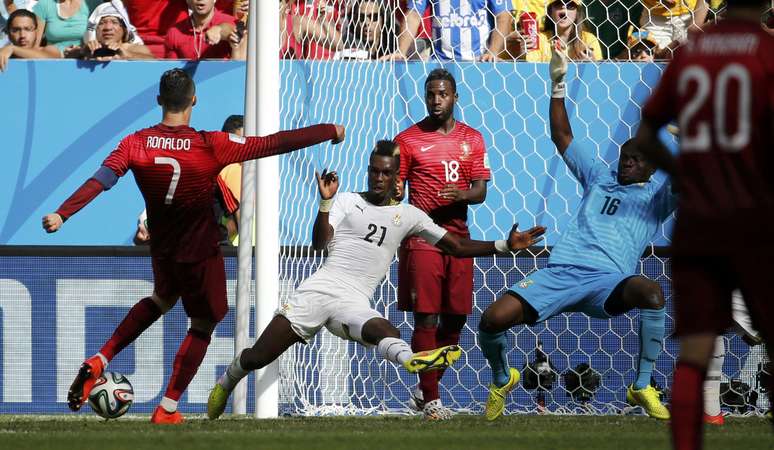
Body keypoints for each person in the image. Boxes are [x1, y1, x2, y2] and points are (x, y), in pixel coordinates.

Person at [42, 68, 346, 424]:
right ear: (194, 100)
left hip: (163, 248)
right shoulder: (209, 144)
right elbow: (272, 143)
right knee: (206, 320)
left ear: (158, 101)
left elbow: (102, 180)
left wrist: (63, 214)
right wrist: (330, 130)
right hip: (200, 251)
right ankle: (168, 408)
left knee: (161, 298)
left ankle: (101, 358)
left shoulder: (134, 143)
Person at [206, 140, 547, 420]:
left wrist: (504, 245)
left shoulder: (409, 215)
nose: (378, 178)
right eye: (373, 171)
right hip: (319, 290)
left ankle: (412, 360)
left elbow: (456, 246)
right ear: (367, 169)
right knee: (257, 357)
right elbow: (320, 243)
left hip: (353, 300)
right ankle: (227, 379)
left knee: (388, 331)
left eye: (385, 172)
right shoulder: (347, 201)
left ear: (397, 177)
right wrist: (324, 203)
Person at [478, 40, 676, 422]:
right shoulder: (600, 178)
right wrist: (557, 84)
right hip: (561, 273)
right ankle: (502, 378)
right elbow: (562, 136)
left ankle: (642, 384)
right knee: (491, 320)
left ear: (653, 166)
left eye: (637, 160)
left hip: (610, 282)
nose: (628, 163)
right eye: (625, 157)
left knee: (651, 292)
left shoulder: (658, 196)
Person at [632, 1, 774, 447]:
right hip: (755, 217)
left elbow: (645, 134)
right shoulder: (767, 53)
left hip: (699, 221)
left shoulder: (693, 52)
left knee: (695, 349)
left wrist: (682, 175)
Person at [394, 68, 491, 420]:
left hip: (458, 239)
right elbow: (396, 188)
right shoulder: (407, 139)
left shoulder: (473, 139)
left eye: (443, 94)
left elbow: (480, 190)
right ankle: (434, 402)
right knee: (427, 316)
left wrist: (461, 194)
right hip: (422, 238)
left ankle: (424, 392)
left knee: (455, 321)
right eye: (431, 94)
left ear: (455, 97)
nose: (436, 100)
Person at [387, 0, 512, 61]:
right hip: (439, 63)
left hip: (480, 63)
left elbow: (503, 16)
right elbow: (413, 14)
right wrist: (400, 51)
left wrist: (493, 52)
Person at [64, 3, 153, 60]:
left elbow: (151, 60)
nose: (108, 28)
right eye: (102, 23)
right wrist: (82, 52)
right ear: (95, 30)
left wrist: (124, 54)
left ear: (124, 30)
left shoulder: (132, 48)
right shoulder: (88, 48)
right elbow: (64, 59)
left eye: (114, 22)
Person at [521, 0, 602, 62]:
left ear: (577, 12)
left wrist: (591, 65)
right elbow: (531, 68)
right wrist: (521, 55)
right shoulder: (540, 39)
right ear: (550, 12)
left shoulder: (589, 39)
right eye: (558, 4)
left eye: (570, 5)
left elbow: (599, 74)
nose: (564, 6)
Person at [164, 0, 237, 60]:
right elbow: (172, 70)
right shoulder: (174, 32)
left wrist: (219, 29)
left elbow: (232, 30)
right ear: (188, 1)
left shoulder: (231, 21)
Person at [639, 0, 708, 55]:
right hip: (654, 16)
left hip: (689, 13)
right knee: (652, 55)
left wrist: (696, 22)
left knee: (683, 54)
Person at [33, 0, 99, 53]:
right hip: (53, 59)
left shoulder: (92, 3)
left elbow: (100, 40)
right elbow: (34, 47)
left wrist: (82, 50)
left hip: (85, 59)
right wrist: (60, 53)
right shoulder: (44, 4)